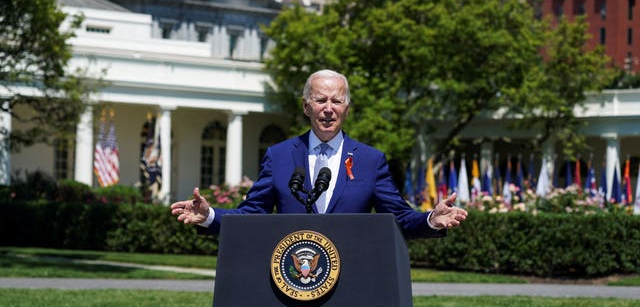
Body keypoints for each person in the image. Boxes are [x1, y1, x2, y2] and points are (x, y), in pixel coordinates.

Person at [171, 69, 467, 238]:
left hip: (352, 277)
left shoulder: (369, 160)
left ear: (347, 109)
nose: (328, 108)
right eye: (320, 100)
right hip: (291, 277)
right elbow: (252, 215)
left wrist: (430, 220)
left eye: (337, 101)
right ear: (306, 107)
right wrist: (209, 216)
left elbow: (400, 217)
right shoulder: (280, 156)